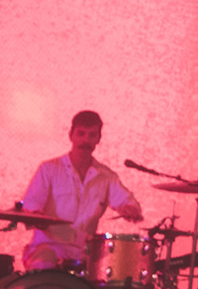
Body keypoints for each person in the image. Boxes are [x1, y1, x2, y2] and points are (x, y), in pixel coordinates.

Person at [19, 110, 144, 271]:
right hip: (48, 248)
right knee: (43, 268)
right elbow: (30, 205)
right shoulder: (49, 169)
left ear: (99, 139)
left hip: (84, 253)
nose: (86, 140)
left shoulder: (106, 177)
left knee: (113, 271)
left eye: (92, 135)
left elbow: (127, 200)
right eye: (81, 134)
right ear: (71, 135)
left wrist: (130, 208)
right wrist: (35, 215)